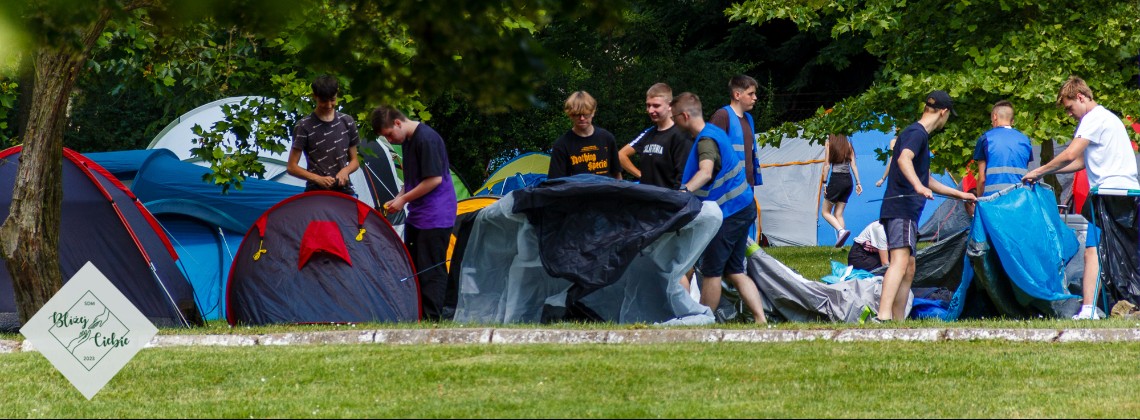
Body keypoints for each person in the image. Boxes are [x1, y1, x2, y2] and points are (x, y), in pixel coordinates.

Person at [1022, 76, 1140, 320]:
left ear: (1081, 97)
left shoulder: (1093, 118)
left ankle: (1088, 309)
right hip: (1123, 192)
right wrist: (1048, 172)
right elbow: (1079, 162)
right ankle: (1095, 307)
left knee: (1093, 250)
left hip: (1110, 193)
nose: (1069, 114)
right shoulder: (1107, 118)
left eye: (1069, 108)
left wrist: (1038, 171)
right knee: (1108, 251)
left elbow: (1070, 154)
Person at [875, 90, 976, 323]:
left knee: (909, 266)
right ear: (943, 112)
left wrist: (961, 194)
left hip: (908, 212)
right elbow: (904, 159)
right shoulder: (916, 133)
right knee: (900, 262)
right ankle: (883, 317)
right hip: (901, 208)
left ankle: (898, 320)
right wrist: (917, 186)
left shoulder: (918, 135)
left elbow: (927, 179)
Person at [673, 92, 766, 324]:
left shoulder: (706, 140)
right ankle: (760, 319)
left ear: (685, 116)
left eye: (675, 117)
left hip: (730, 212)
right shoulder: (715, 132)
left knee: (712, 271)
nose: (673, 122)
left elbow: (705, 172)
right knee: (735, 270)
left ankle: (703, 321)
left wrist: (684, 192)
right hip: (744, 206)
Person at [370, 105, 458, 322]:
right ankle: (418, 316)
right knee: (415, 267)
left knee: (431, 269)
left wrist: (403, 200)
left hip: (436, 216)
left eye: (389, 134)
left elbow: (433, 179)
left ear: (397, 123)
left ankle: (433, 319)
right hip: (418, 215)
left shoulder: (427, 139)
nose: (389, 140)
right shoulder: (408, 141)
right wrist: (398, 197)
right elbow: (411, 180)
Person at [710, 75, 765, 240]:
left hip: (746, 186)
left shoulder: (749, 119)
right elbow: (710, 151)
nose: (755, 98)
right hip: (728, 188)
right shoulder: (722, 116)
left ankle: (741, 257)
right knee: (727, 234)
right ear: (737, 95)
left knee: (742, 233)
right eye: (751, 94)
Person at [287, 74, 360, 195]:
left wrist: (345, 171)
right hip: (315, 192)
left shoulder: (347, 121)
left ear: (337, 94)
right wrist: (317, 179)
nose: (329, 105)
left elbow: (355, 161)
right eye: (324, 101)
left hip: (344, 191)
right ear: (314, 96)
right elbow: (291, 167)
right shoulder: (303, 126)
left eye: (332, 100)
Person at [616, 83, 692, 189]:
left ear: (670, 105)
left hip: (668, 197)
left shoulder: (681, 135)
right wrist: (641, 175)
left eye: (656, 106)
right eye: (648, 105)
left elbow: (683, 176)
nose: (650, 110)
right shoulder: (648, 133)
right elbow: (621, 155)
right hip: (646, 196)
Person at [548, 91, 621, 180]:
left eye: (586, 114)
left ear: (593, 112)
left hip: (606, 188)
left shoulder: (607, 138)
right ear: (570, 115)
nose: (582, 118)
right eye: (577, 115)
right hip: (575, 188)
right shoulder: (561, 145)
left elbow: (617, 174)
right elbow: (555, 182)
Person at [973, 100, 1034, 197]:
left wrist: (979, 200)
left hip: (994, 200)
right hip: (1021, 198)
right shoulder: (1025, 140)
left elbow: (982, 179)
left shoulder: (985, 139)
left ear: (994, 117)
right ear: (1012, 121)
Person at [820, 133, 863, 247]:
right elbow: (853, 165)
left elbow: (827, 165)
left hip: (836, 180)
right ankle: (841, 244)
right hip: (848, 181)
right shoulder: (848, 145)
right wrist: (858, 183)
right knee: (838, 214)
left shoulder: (829, 144)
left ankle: (841, 231)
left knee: (825, 212)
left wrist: (824, 183)